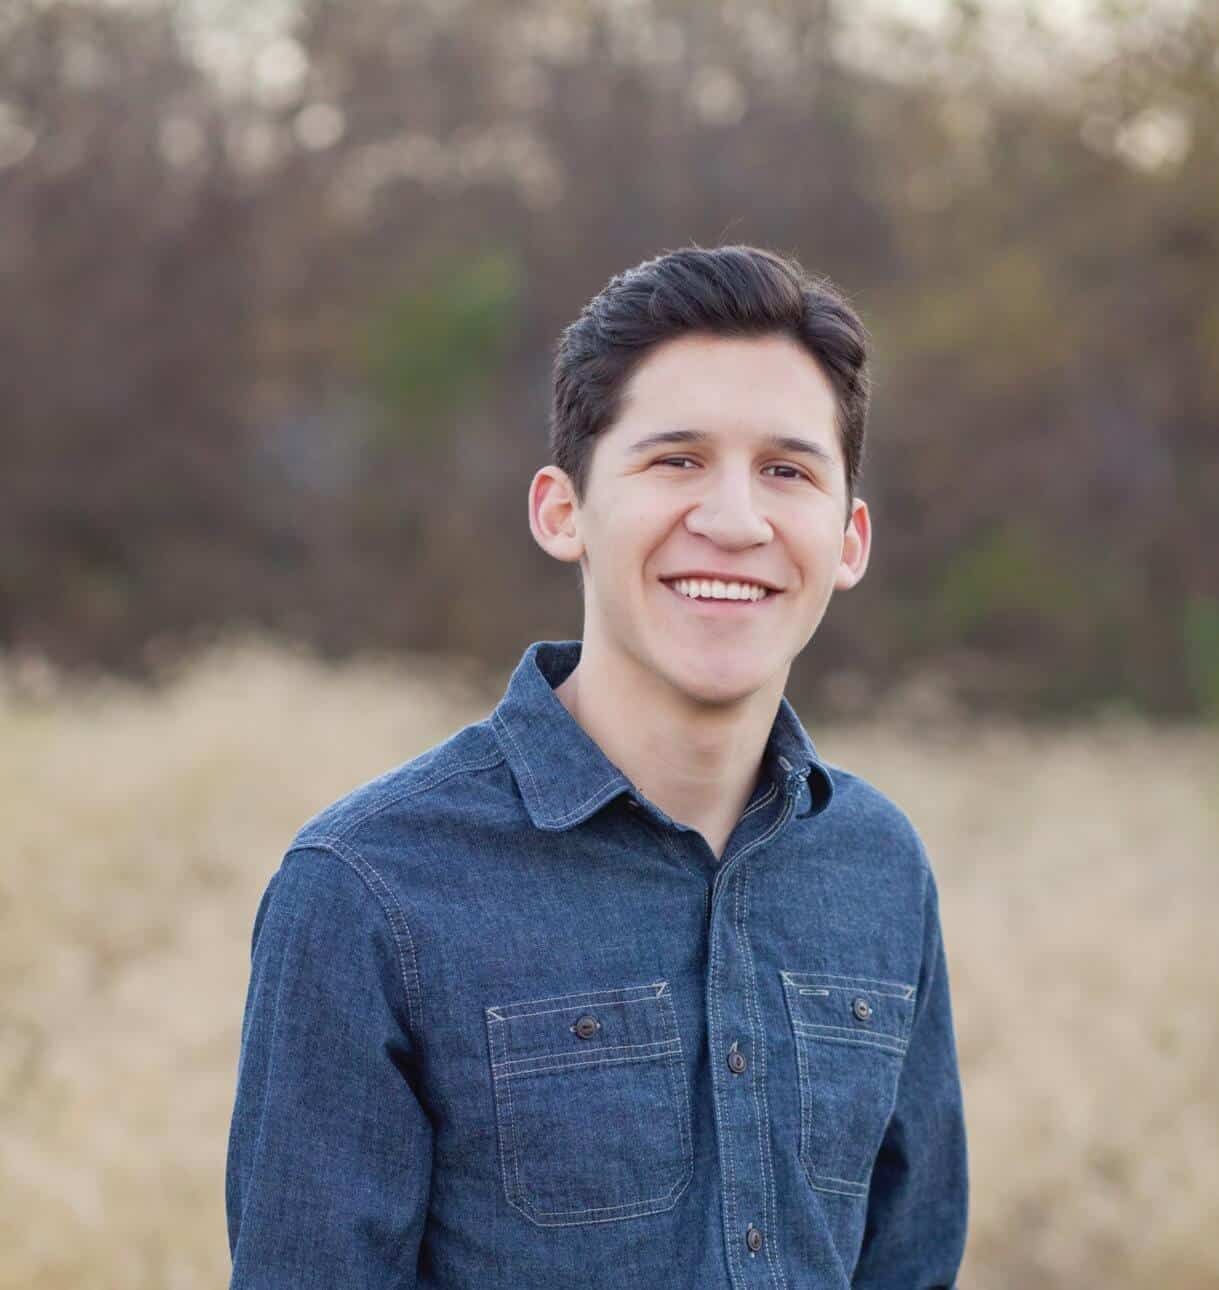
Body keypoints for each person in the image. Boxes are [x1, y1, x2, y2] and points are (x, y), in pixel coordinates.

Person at [225, 244, 969, 1288]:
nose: (733, 521)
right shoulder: (368, 890)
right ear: (562, 511)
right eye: (674, 460)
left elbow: (910, 1265)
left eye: (786, 472)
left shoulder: (878, 867)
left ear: (847, 539)